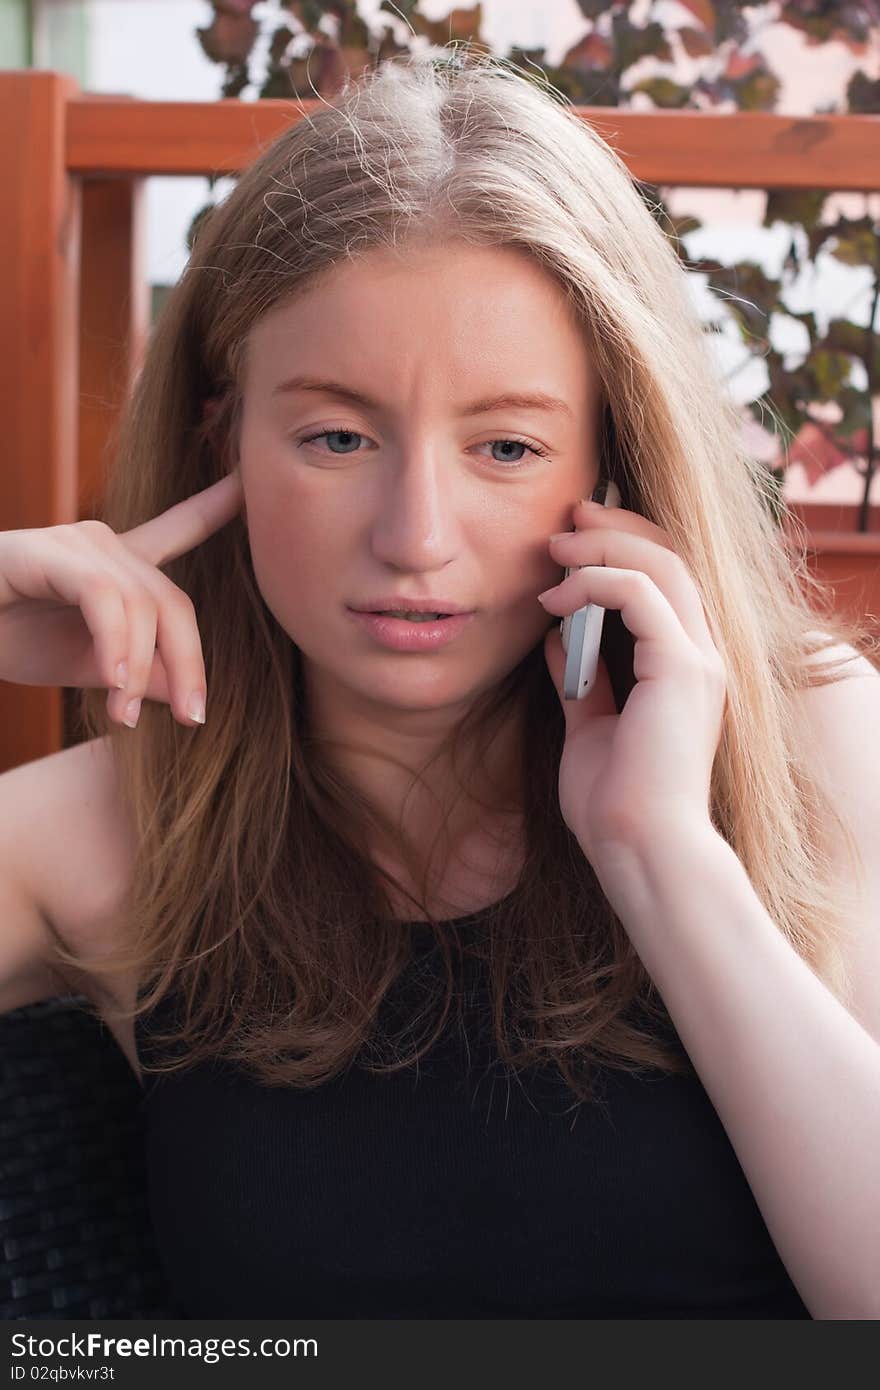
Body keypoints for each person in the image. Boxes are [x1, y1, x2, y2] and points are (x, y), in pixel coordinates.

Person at [1, 49, 879, 1321]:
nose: (415, 534)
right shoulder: (116, 827)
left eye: (506, 445)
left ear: (615, 467)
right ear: (221, 438)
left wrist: (660, 851)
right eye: (337, 437)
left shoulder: (807, 725)